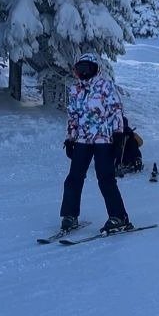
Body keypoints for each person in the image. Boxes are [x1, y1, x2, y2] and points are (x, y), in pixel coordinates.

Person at [60, 53, 133, 235]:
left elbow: (116, 111)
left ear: (95, 69)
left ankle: (118, 216)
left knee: (105, 178)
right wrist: (70, 139)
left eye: (87, 69)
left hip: (104, 140)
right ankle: (70, 215)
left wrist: (118, 135)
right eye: (80, 69)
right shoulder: (75, 90)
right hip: (83, 140)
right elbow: (73, 116)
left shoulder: (105, 86)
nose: (83, 73)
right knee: (74, 178)